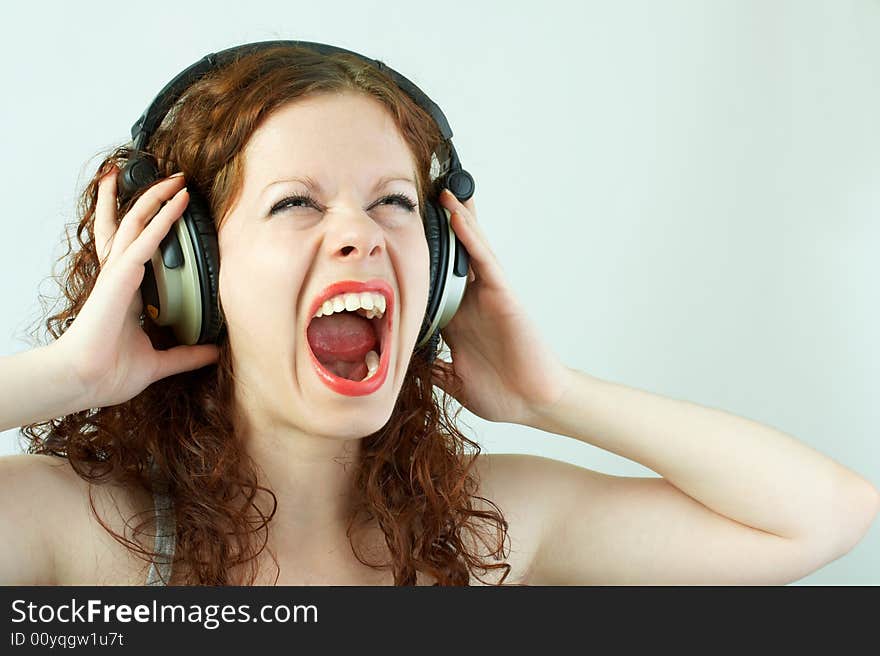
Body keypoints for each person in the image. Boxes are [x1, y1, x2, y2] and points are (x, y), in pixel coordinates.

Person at [0, 43, 877, 586]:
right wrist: (64, 377)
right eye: (297, 203)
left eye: (391, 202)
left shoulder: (485, 533)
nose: (361, 235)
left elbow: (824, 517)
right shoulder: (77, 535)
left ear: (443, 265)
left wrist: (553, 397)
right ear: (189, 271)